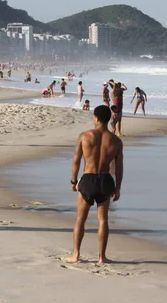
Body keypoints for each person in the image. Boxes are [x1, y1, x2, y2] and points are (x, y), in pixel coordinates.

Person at [65, 105, 124, 264]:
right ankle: (102, 257)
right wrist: (117, 188)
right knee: (103, 220)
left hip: (88, 180)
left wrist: (73, 180)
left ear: (96, 118)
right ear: (110, 118)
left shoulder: (84, 136)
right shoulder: (116, 141)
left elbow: (76, 161)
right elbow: (118, 168)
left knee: (80, 219)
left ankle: (76, 255)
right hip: (105, 181)